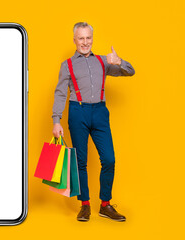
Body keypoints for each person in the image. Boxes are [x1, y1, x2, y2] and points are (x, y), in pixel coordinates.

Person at [52, 22, 135, 222]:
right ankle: (85, 205)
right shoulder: (67, 65)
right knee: (80, 161)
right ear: (74, 40)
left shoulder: (102, 61)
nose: (85, 42)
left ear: (92, 39)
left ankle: (105, 205)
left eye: (88, 38)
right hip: (77, 112)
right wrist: (56, 120)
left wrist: (119, 61)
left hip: (99, 112)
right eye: (81, 38)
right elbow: (61, 93)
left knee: (109, 159)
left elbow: (130, 72)